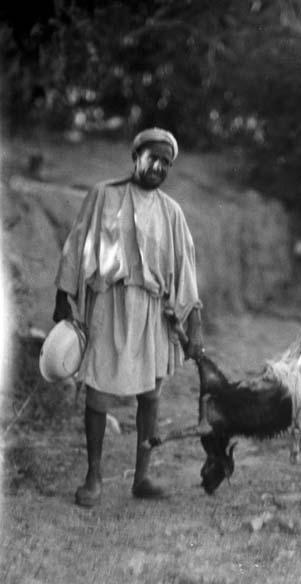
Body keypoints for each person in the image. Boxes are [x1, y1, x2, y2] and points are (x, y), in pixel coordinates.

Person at [53, 127, 204, 507]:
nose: (159, 166)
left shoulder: (172, 213)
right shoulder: (104, 195)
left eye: (166, 162)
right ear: (136, 155)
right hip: (107, 303)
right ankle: (94, 476)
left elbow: (185, 268)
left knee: (150, 395)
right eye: (153, 157)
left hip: (152, 310)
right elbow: (76, 244)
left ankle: (142, 476)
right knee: (99, 390)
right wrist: (63, 295)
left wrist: (193, 324)